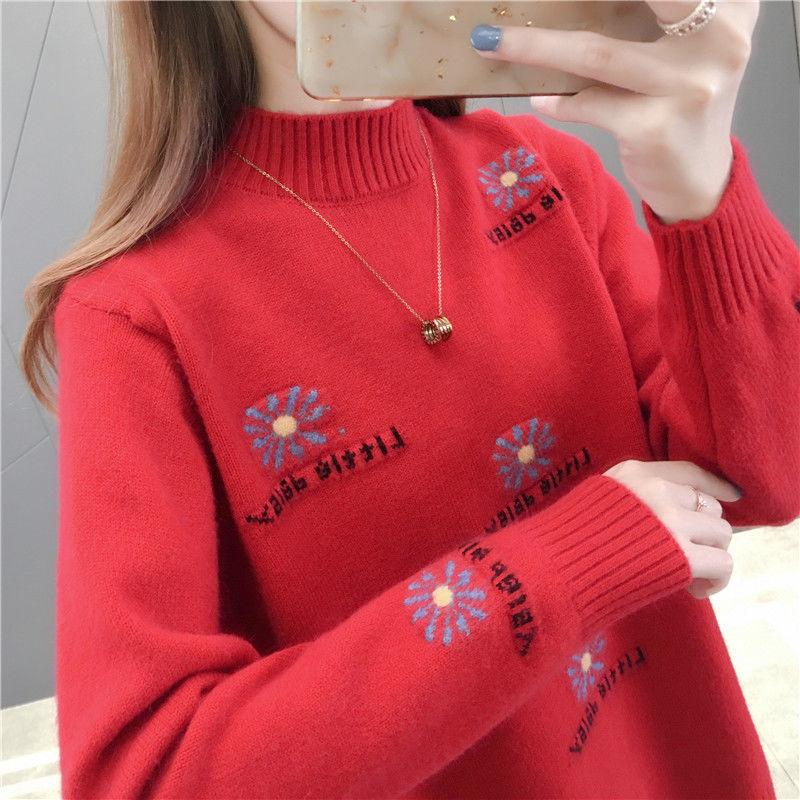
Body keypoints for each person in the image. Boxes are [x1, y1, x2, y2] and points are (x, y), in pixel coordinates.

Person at [19, 1, 799, 798]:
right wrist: (576, 558)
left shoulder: (545, 177)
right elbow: (142, 777)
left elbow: (767, 476)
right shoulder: (137, 318)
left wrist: (702, 190)